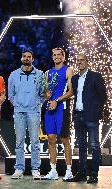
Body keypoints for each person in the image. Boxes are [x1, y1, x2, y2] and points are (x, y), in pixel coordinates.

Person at [67, 53, 107, 184]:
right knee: (82, 146)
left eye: (82, 60)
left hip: (91, 117)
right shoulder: (74, 78)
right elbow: (73, 95)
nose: (79, 62)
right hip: (78, 116)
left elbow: (103, 96)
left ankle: (94, 174)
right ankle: (82, 173)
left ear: (87, 61)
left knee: (94, 146)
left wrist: (96, 112)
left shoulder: (96, 76)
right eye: (77, 60)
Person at [8, 49, 45, 180]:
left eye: (29, 57)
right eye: (24, 56)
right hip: (19, 112)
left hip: (34, 112)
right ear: (21, 58)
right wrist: (17, 104)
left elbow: (43, 94)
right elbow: (10, 95)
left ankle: (35, 169)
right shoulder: (13, 75)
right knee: (19, 142)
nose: (26, 58)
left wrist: (36, 104)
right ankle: (19, 168)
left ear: (32, 59)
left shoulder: (40, 75)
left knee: (35, 142)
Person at [41, 48, 73, 181]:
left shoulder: (68, 70)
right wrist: (47, 95)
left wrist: (57, 100)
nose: (56, 57)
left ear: (63, 57)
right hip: (50, 110)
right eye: (54, 55)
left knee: (65, 139)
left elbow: (71, 92)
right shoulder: (47, 73)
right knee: (51, 139)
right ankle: (53, 171)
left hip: (62, 109)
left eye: (59, 55)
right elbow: (45, 93)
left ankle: (69, 171)